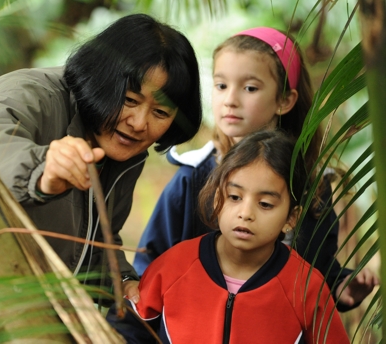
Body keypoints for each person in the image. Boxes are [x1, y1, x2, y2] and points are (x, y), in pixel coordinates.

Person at [0, 13, 202, 302]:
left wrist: (124, 283)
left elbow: (93, 244)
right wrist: (41, 172)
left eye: (160, 113)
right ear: (101, 77)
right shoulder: (25, 95)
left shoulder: (122, 150)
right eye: (130, 100)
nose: (140, 123)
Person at [132, 27, 378, 311]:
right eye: (221, 85)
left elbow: (318, 272)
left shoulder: (310, 185)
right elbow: (150, 265)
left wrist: (342, 287)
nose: (230, 100)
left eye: (249, 88)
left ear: (285, 100)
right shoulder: (194, 176)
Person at [108, 130, 351, 343]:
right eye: (234, 197)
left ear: (291, 218)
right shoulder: (174, 267)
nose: (245, 213)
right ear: (217, 200)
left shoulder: (307, 287)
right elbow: (127, 328)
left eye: (265, 204)